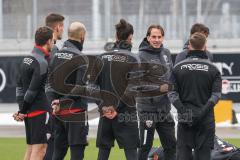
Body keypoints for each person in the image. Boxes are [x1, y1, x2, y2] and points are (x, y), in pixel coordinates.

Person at [168, 32, 222, 160]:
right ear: (205, 46)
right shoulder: (214, 69)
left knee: (183, 156)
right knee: (203, 156)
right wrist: (202, 113)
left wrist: (184, 111)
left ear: (189, 46)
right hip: (206, 121)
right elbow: (216, 95)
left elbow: (172, 93)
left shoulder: (177, 68)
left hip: (184, 121)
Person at [96, 19, 139, 160]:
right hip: (126, 113)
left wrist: (104, 107)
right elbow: (132, 88)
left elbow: (90, 87)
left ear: (116, 37)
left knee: (103, 153)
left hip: (105, 113)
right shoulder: (134, 58)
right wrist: (116, 108)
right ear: (130, 38)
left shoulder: (101, 57)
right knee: (131, 153)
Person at [48, 22, 88, 160]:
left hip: (58, 113)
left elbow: (49, 85)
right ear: (82, 35)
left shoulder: (55, 55)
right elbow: (79, 89)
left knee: (58, 152)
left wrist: (55, 103)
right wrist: (61, 101)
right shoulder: (81, 57)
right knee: (77, 153)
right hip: (75, 113)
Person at [13, 26, 54, 160]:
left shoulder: (26, 59)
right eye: (53, 40)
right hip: (40, 111)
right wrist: (22, 111)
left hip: (30, 112)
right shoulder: (41, 62)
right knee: (39, 150)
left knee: (31, 149)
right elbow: (32, 90)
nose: (53, 43)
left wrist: (22, 110)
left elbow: (19, 87)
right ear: (48, 41)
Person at [137, 25, 176, 160]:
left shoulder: (166, 53)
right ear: (148, 38)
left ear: (163, 37)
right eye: (154, 36)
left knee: (171, 146)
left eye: (159, 37)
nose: (156, 40)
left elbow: (171, 76)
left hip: (164, 110)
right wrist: (159, 88)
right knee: (145, 147)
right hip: (147, 110)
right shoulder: (140, 56)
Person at [44, 12, 65, 160]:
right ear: (57, 27)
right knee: (50, 147)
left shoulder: (39, 49)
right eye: (62, 26)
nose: (63, 30)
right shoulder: (54, 52)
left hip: (43, 104)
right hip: (50, 105)